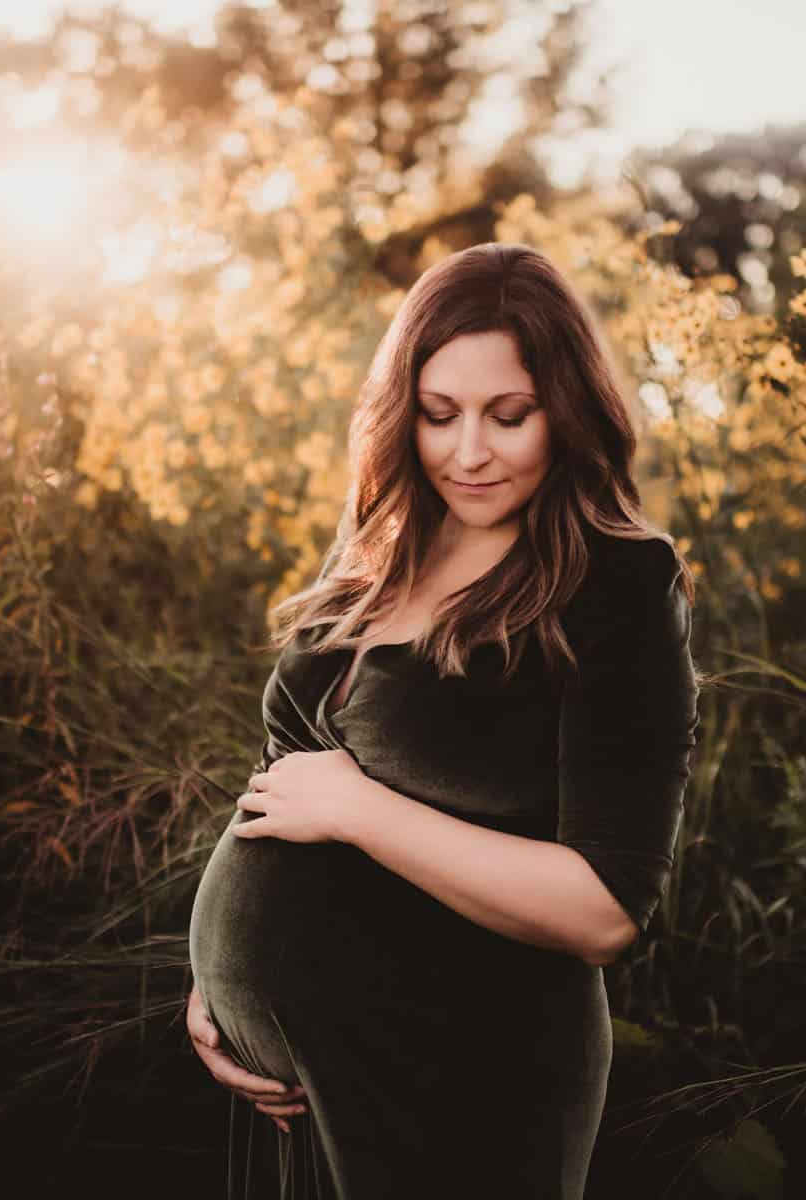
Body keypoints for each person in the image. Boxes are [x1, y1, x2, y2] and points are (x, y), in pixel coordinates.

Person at [185, 241, 701, 1198]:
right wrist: (214, 998)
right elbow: (280, 791)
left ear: (568, 409)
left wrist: (363, 813)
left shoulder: (616, 584)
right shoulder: (378, 555)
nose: (470, 451)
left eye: (510, 416)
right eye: (438, 414)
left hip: (468, 1075)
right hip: (301, 1093)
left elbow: (604, 909)